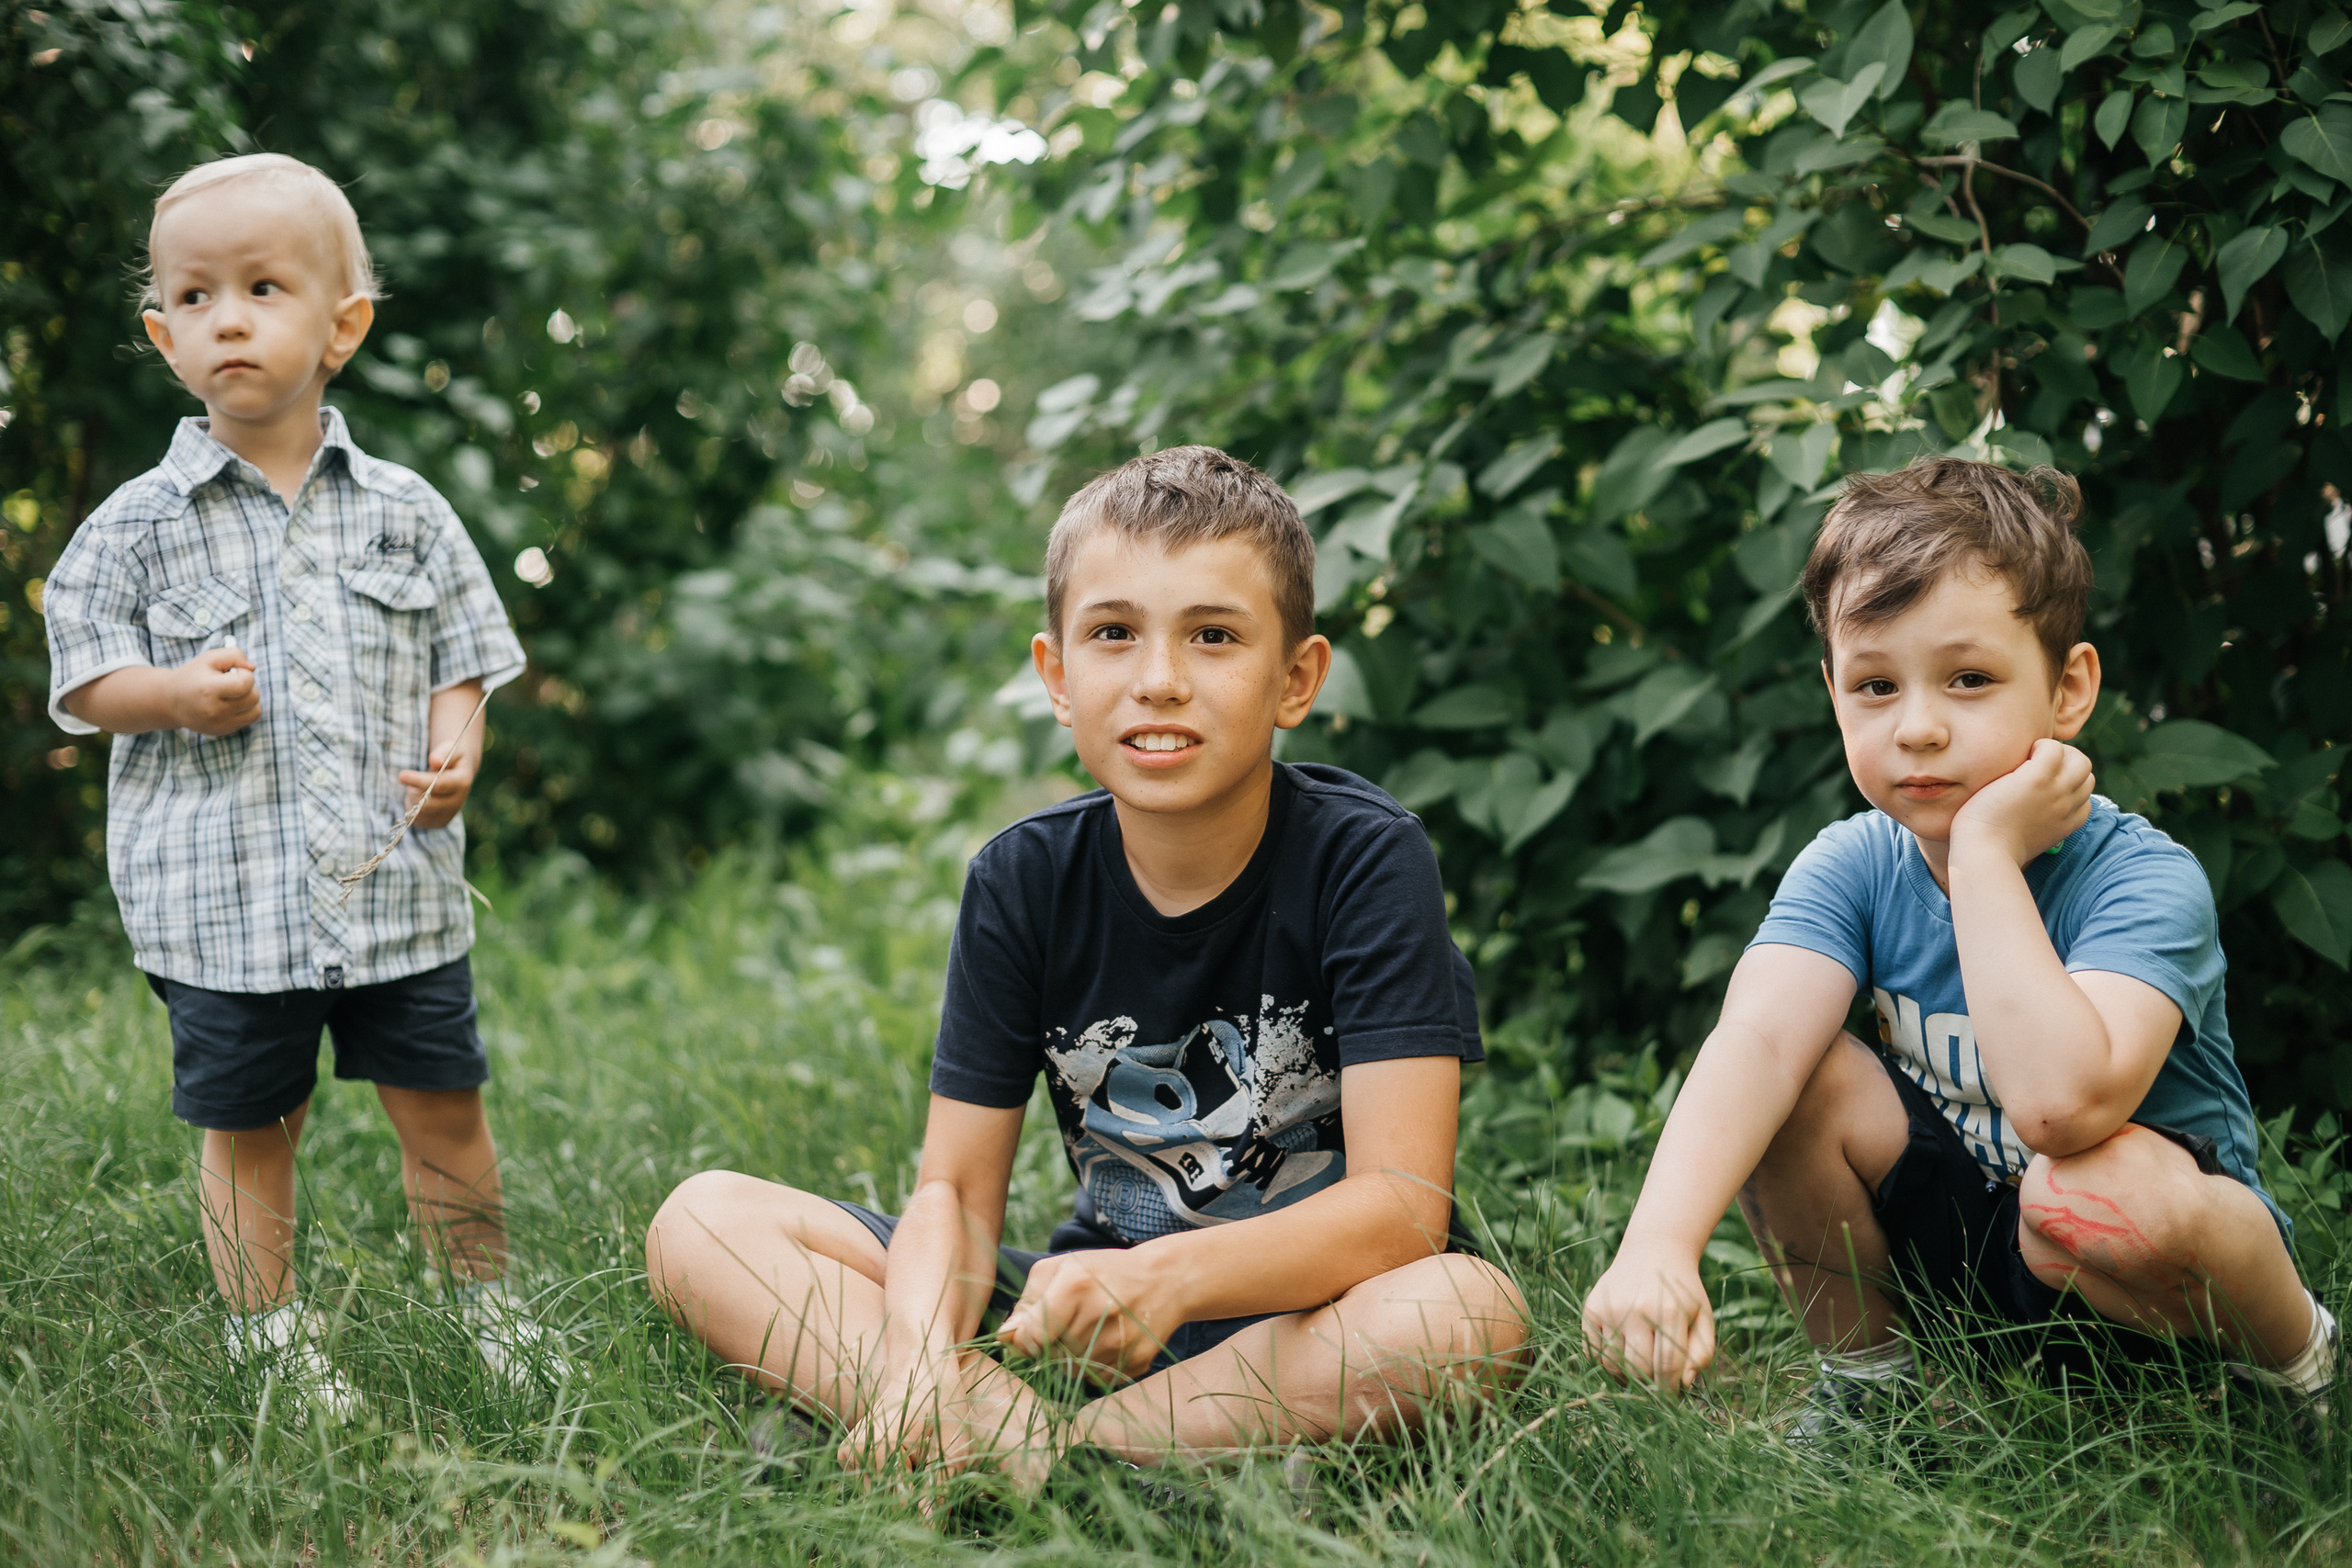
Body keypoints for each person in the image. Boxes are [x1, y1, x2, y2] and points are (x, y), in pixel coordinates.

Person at [647, 446, 1528, 1487]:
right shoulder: (1022, 880)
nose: (1159, 681)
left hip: (1317, 1315)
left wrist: (1172, 1275)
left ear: (1296, 679)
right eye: (1113, 635)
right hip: (1095, 1316)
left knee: (1466, 1314)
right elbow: (956, 1198)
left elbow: (1402, 1207)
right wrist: (924, 1355)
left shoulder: (1366, 857)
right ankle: (961, 1415)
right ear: (1058, 676)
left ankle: (1047, 1453)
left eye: (1212, 636)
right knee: (700, 1223)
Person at [1580, 457, 2336, 1441]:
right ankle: (1878, 1395)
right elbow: (1757, 1044)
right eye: (1875, 686)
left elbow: (2063, 1108)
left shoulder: (2142, 880)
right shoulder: (1852, 864)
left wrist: (1984, 854)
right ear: (1833, 693)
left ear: (2068, 691)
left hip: (2159, 1266)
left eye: (1968, 680)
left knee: (2081, 1190)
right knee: (1795, 1081)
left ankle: (2296, 1368)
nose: (1919, 728)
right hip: (1988, 1248)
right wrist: (1656, 1244)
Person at [43, 153, 558, 1416]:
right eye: (196, 295)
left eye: (263, 288)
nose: (229, 316)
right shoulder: (136, 523)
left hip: (398, 893)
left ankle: (481, 1300)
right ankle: (267, 1332)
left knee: (443, 1103)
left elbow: (465, 657)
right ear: (163, 334)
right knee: (251, 1128)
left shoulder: (407, 512)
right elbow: (84, 677)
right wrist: (171, 694)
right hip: (227, 906)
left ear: (342, 326)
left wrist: (457, 747)